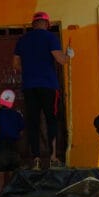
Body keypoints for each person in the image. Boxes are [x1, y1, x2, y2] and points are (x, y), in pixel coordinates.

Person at [13, 11, 69, 169]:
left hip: (29, 86)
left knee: (33, 122)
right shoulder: (51, 38)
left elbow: (15, 64)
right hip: (49, 86)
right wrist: (68, 55)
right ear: (47, 24)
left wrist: (30, 69)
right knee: (51, 120)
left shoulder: (22, 40)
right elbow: (61, 60)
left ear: (34, 24)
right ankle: (52, 157)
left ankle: (36, 159)